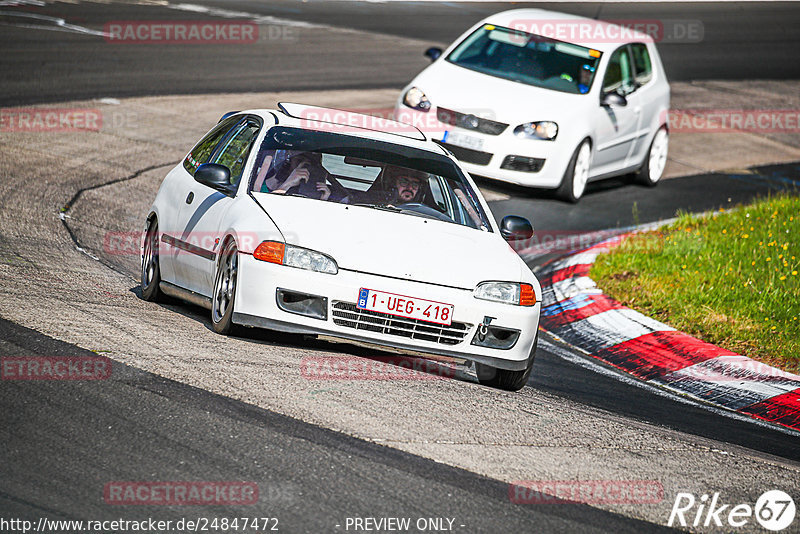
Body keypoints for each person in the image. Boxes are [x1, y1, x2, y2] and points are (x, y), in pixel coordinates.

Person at [255, 150, 332, 200]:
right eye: (299, 160)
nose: (302, 167)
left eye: (309, 165)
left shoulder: (309, 191)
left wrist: (323, 199)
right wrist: (287, 185)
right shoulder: (260, 182)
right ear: (288, 160)